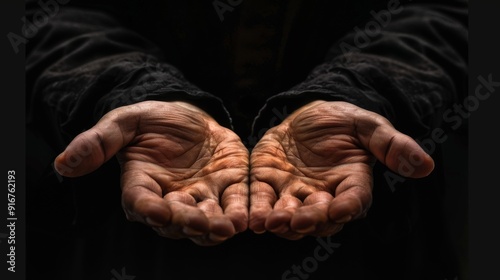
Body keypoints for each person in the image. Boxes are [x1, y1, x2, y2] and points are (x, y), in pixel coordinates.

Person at [25, 0, 468, 279]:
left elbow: (450, 13)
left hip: (371, 230)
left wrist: (361, 93)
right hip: (129, 217)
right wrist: (130, 92)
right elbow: (44, 14)